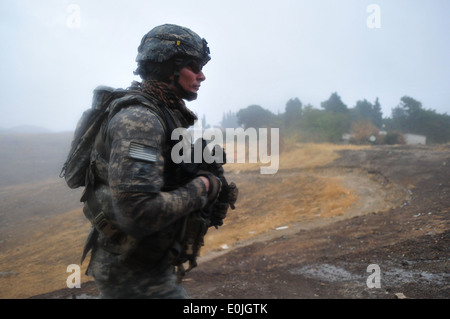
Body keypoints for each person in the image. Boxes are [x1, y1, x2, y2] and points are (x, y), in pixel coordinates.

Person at [81, 24, 238, 299]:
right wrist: (204, 186)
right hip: (131, 271)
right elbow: (139, 214)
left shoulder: (162, 111)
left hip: (146, 258)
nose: (202, 75)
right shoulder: (141, 120)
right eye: (193, 66)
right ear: (168, 68)